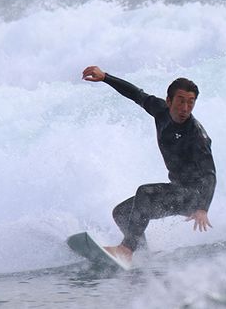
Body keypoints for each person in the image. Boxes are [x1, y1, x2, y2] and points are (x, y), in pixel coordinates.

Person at [82, 65, 216, 264]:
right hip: (178, 190)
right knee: (122, 213)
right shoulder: (160, 110)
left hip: (194, 196)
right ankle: (142, 256)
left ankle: (126, 250)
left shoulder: (197, 136)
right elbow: (136, 94)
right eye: (181, 101)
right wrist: (105, 77)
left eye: (191, 102)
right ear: (169, 101)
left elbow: (210, 174)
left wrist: (203, 208)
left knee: (144, 193)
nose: (185, 108)